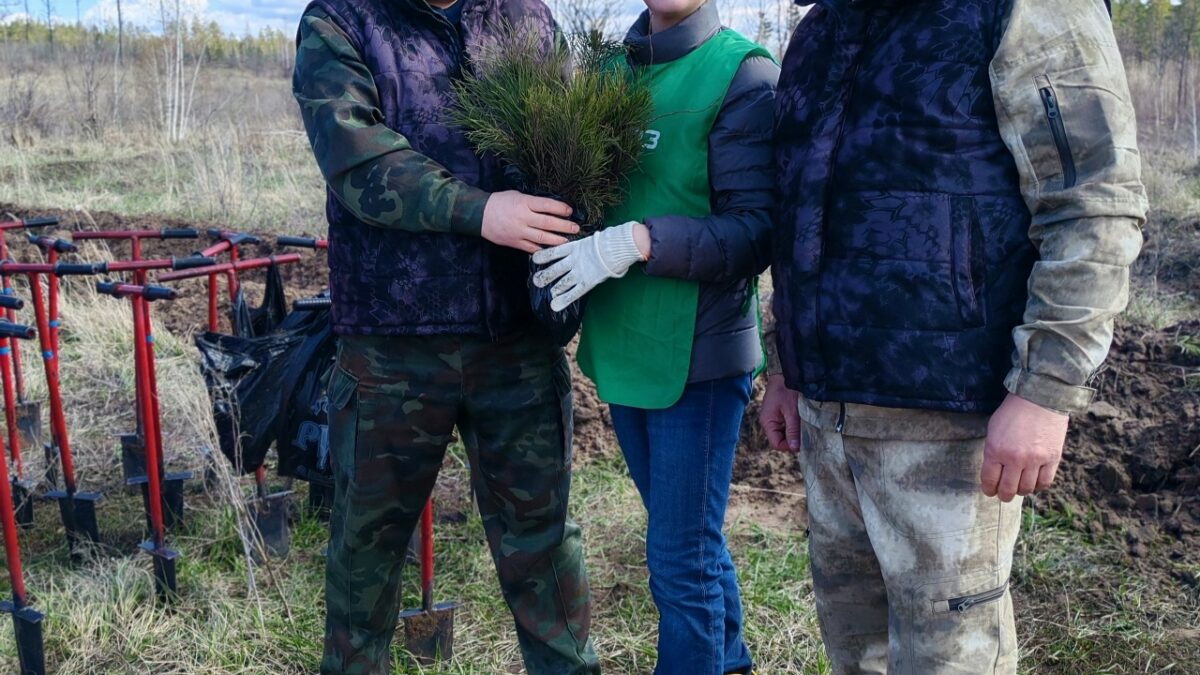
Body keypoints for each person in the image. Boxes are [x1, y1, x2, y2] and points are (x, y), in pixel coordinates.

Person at [759, 0, 1146, 672]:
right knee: (855, 655)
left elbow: (1095, 202)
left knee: (950, 661)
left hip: (949, 429)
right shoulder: (821, 29)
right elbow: (797, 209)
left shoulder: (1025, 8)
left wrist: (1046, 388)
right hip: (829, 421)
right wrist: (782, 364)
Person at [292, 0, 601, 671]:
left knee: (545, 551)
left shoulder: (524, 18)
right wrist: (481, 210)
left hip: (515, 345)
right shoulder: (342, 20)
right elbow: (357, 160)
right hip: (391, 350)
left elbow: (565, 147)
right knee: (365, 559)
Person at [531, 1, 776, 672]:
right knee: (691, 543)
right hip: (626, 344)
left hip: (697, 355)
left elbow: (754, 232)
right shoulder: (609, 72)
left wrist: (638, 240)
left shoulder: (742, 76)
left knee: (678, 563)